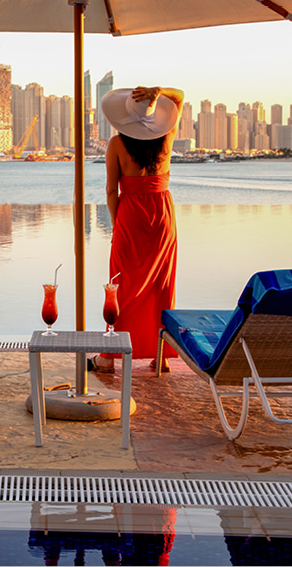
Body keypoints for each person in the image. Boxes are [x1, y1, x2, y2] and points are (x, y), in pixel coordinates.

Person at [89, 86, 184, 373]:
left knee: (121, 286)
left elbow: (110, 191)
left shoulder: (117, 145)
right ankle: (161, 355)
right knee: (161, 285)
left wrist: (119, 225)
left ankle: (108, 356)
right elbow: (179, 96)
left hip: (130, 215)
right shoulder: (167, 138)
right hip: (162, 214)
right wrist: (159, 92)